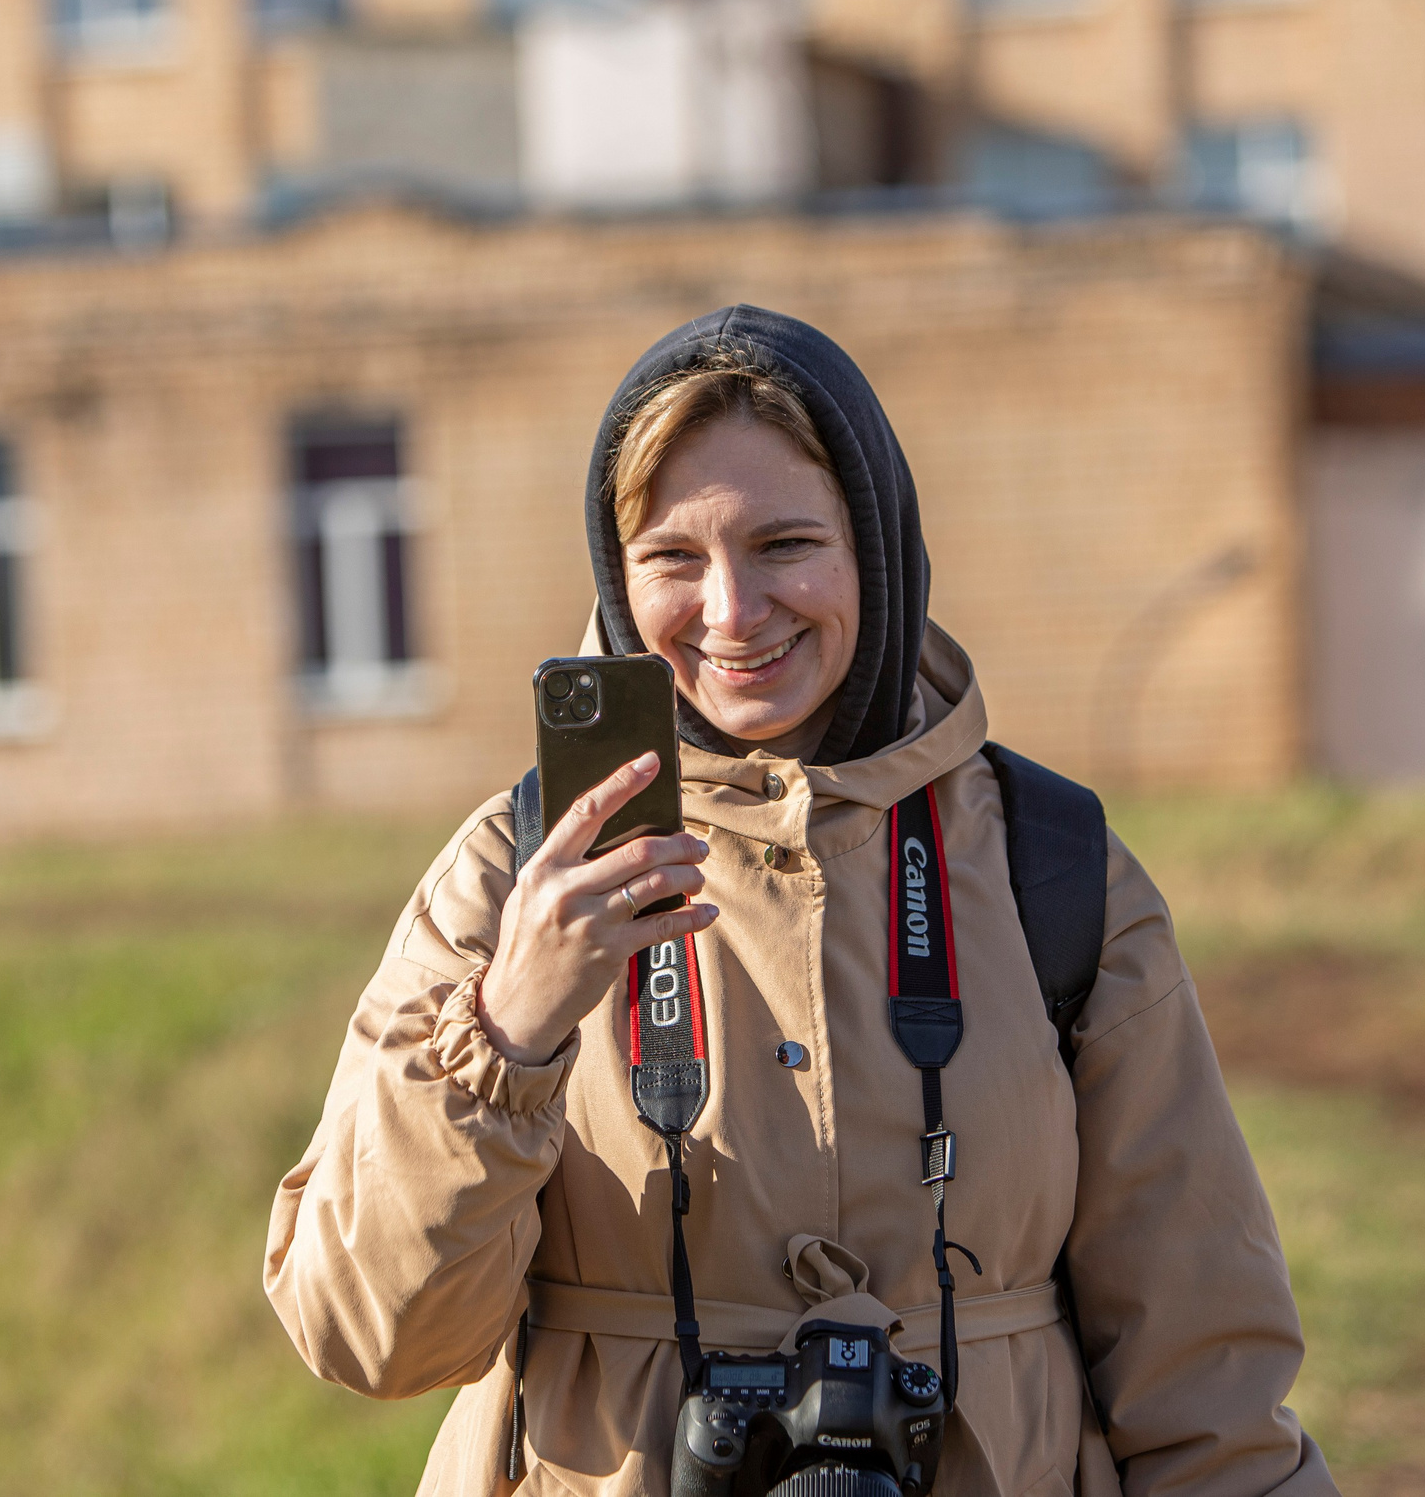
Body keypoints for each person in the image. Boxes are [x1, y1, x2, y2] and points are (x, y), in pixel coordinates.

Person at [266, 306, 1338, 1496]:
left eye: (784, 545)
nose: (730, 612)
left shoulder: (1053, 865)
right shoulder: (508, 877)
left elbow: (1206, 1369)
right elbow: (371, 1338)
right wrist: (507, 1037)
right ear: (618, 583)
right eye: (672, 558)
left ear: (873, 550)